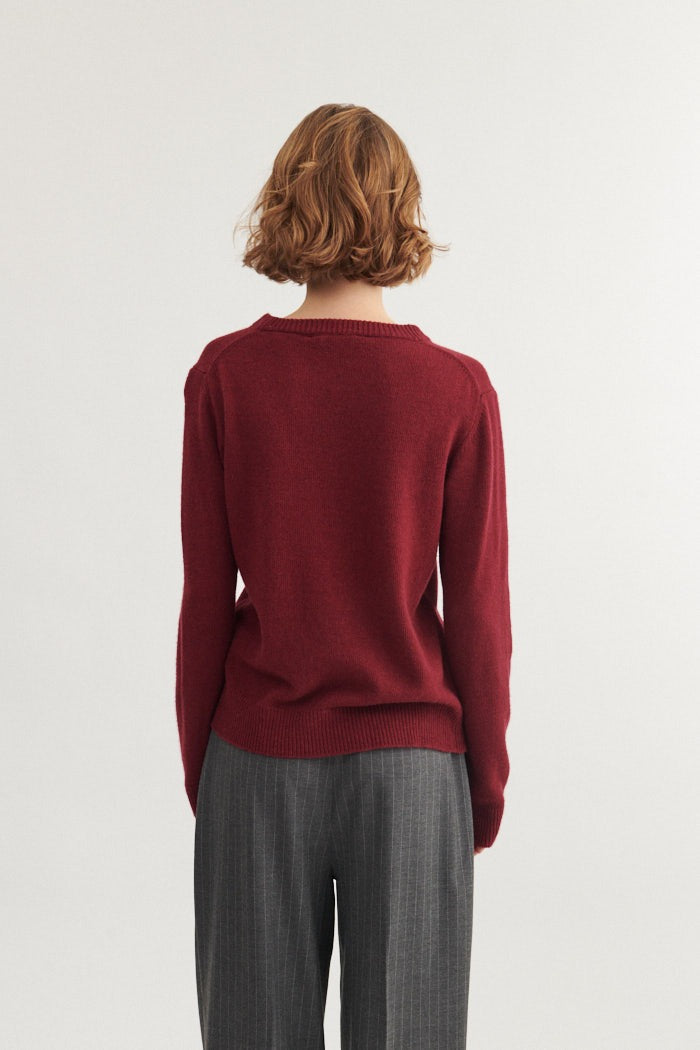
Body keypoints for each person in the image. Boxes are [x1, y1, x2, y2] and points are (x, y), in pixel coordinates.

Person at [176, 102, 512, 1050]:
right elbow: (479, 612)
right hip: (414, 770)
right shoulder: (456, 390)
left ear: (286, 204)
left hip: (256, 755)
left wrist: (208, 769)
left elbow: (206, 599)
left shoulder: (226, 377)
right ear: (401, 211)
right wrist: (482, 782)